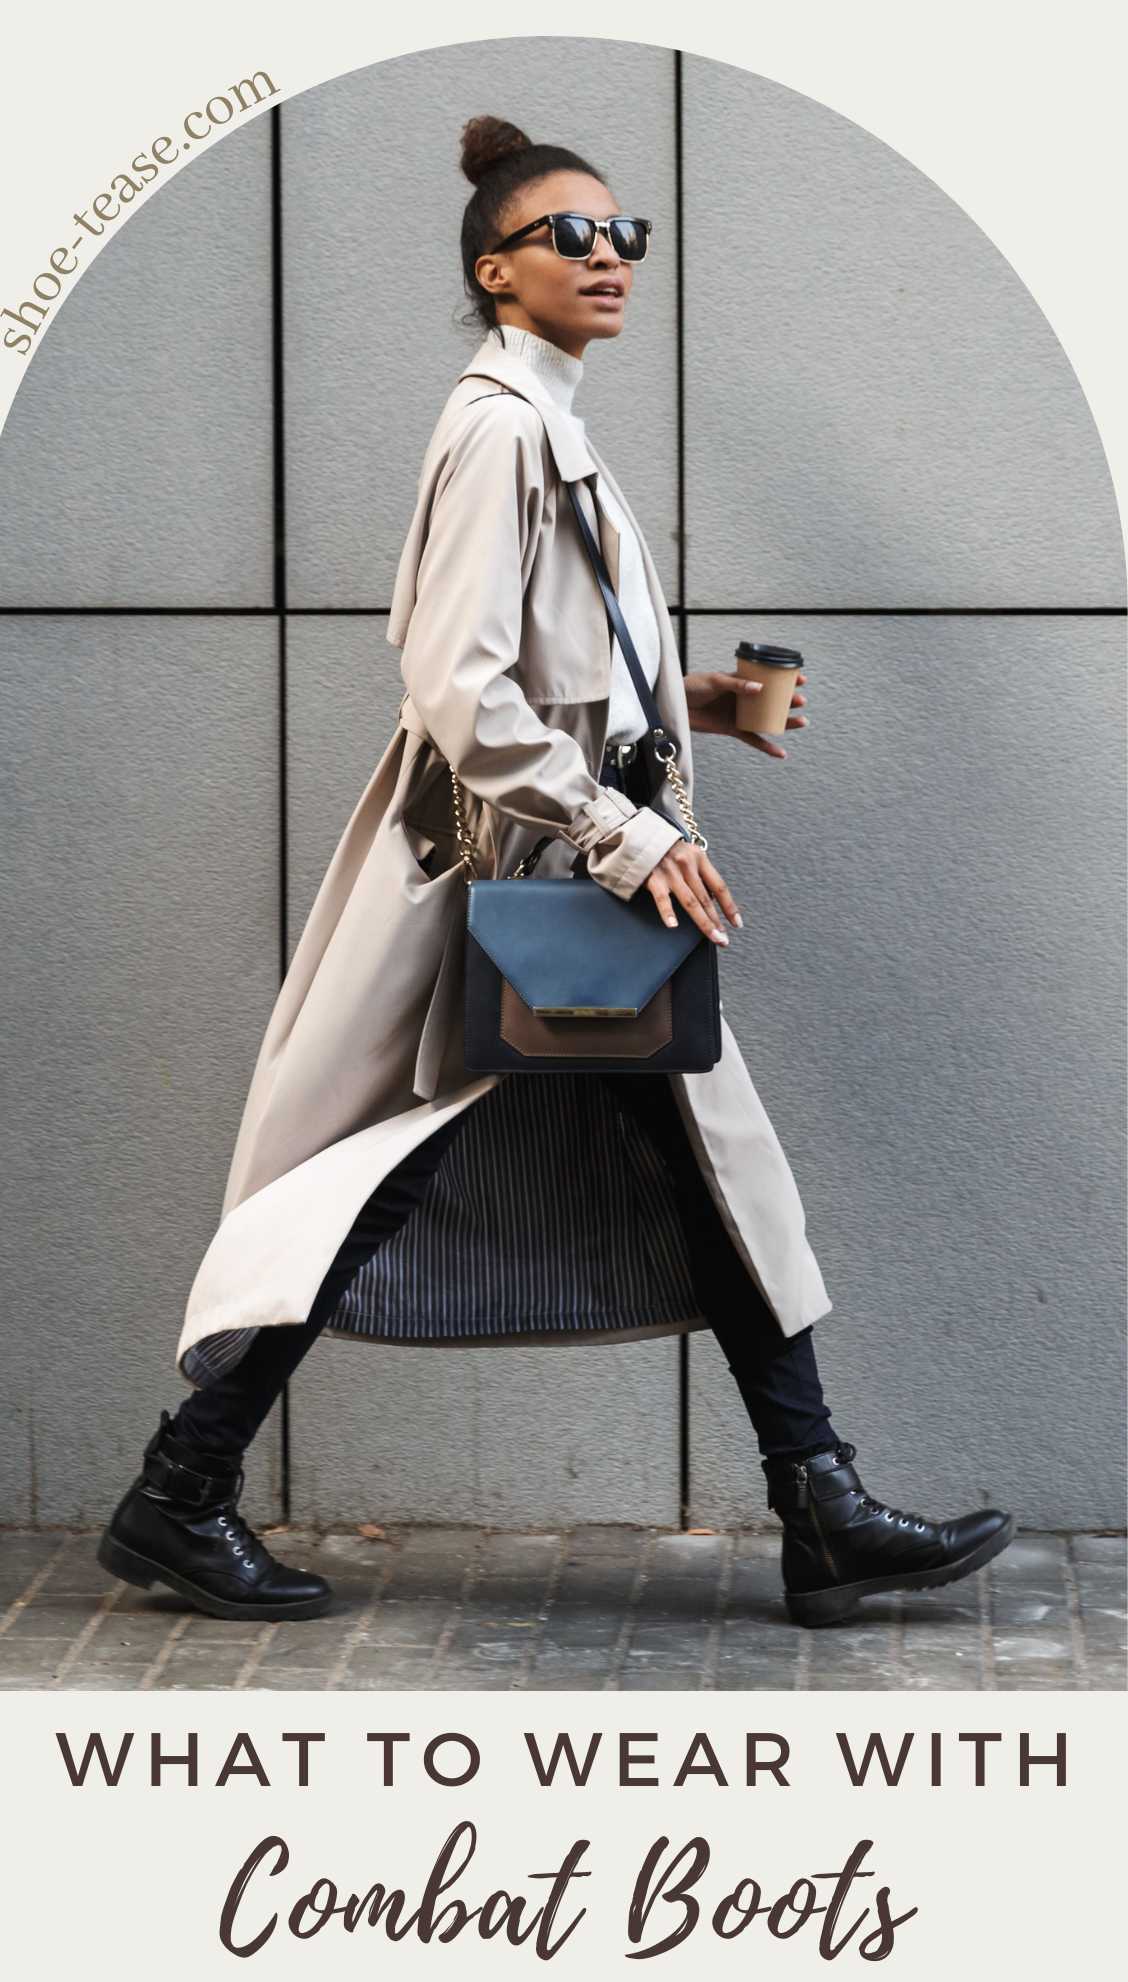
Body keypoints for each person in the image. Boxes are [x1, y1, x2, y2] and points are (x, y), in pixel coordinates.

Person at [98, 114, 1014, 1633]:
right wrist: (628, 827)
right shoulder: (500, 430)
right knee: (384, 1172)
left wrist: (699, 701)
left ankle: (820, 1499)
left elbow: (546, 662)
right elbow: (458, 688)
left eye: (623, 235)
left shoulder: (546, 425)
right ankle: (180, 1491)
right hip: (522, 880)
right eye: (571, 237)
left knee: (707, 1165)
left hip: (569, 874)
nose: (609, 258)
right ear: (497, 270)